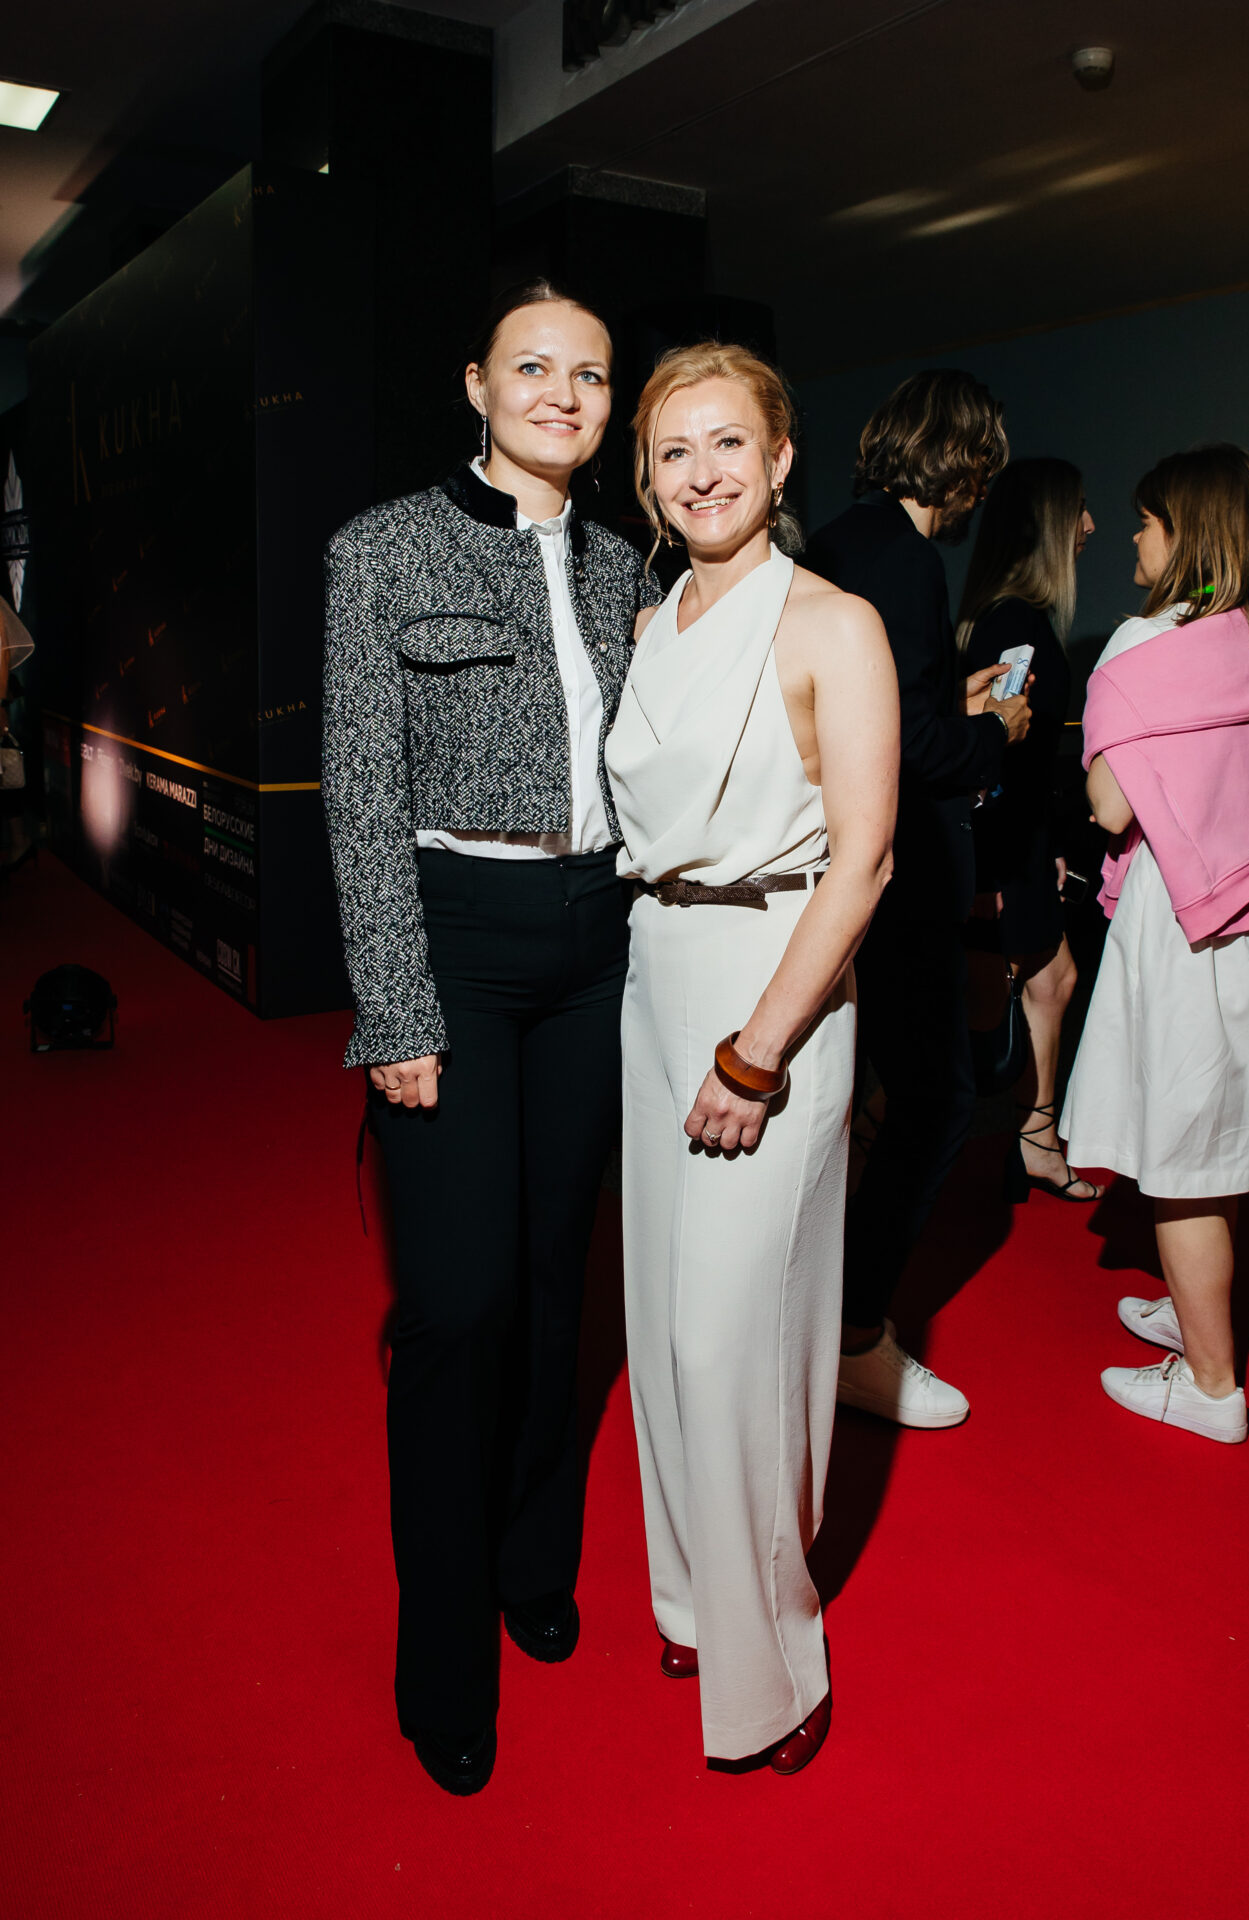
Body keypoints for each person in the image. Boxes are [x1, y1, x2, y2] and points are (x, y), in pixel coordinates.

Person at [322, 279, 660, 1794]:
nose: (561, 395)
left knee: (550, 1284)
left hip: (597, 945)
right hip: (454, 939)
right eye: (533, 367)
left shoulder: (624, 562)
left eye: (588, 375)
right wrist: (395, 1005)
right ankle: (443, 1651)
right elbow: (358, 794)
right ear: (476, 383)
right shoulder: (380, 550)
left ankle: (534, 1559)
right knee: (454, 1308)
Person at [606, 343, 898, 1771]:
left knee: (738, 1340)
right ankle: (688, 1596)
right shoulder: (648, 623)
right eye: (674, 451)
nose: (702, 473)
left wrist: (758, 1053)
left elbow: (866, 861)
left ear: (781, 460)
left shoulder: (833, 622)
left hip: (773, 988)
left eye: (729, 443)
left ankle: (775, 1661)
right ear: (646, 479)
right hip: (653, 977)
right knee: (664, 1328)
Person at [806, 370, 1029, 1429]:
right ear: (965, 458)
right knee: (937, 1101)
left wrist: (951, 697)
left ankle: (826, 1312)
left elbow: (884, 704)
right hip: (895, 876)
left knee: (859, 1101)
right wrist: (994, 731)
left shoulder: (844, 540)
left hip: (838, 866)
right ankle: (853, 1336)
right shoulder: (905, 559)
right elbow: (918, 750)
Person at [1061, 444, 1249, 1443]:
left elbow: (1109, 809)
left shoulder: (1144, 642)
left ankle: (1209, 1384)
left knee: (1183, 1152)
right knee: (1218, 1129)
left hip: (1182, 916)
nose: (1132, 538)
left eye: (1145, 522)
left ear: (1182, 530)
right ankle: (1197, 1313)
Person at [957, 458, 1099, 1203]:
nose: (1091, 526)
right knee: (977, 1018)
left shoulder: (1020, 618)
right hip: (999, 851)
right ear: (1047, 523)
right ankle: (874, 1133)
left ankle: (1036, 1140)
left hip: (1020, 844)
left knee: (1051, 980)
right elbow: (994, 753)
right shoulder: (1016, 623)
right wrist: (996, 872)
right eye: (1079, 511)